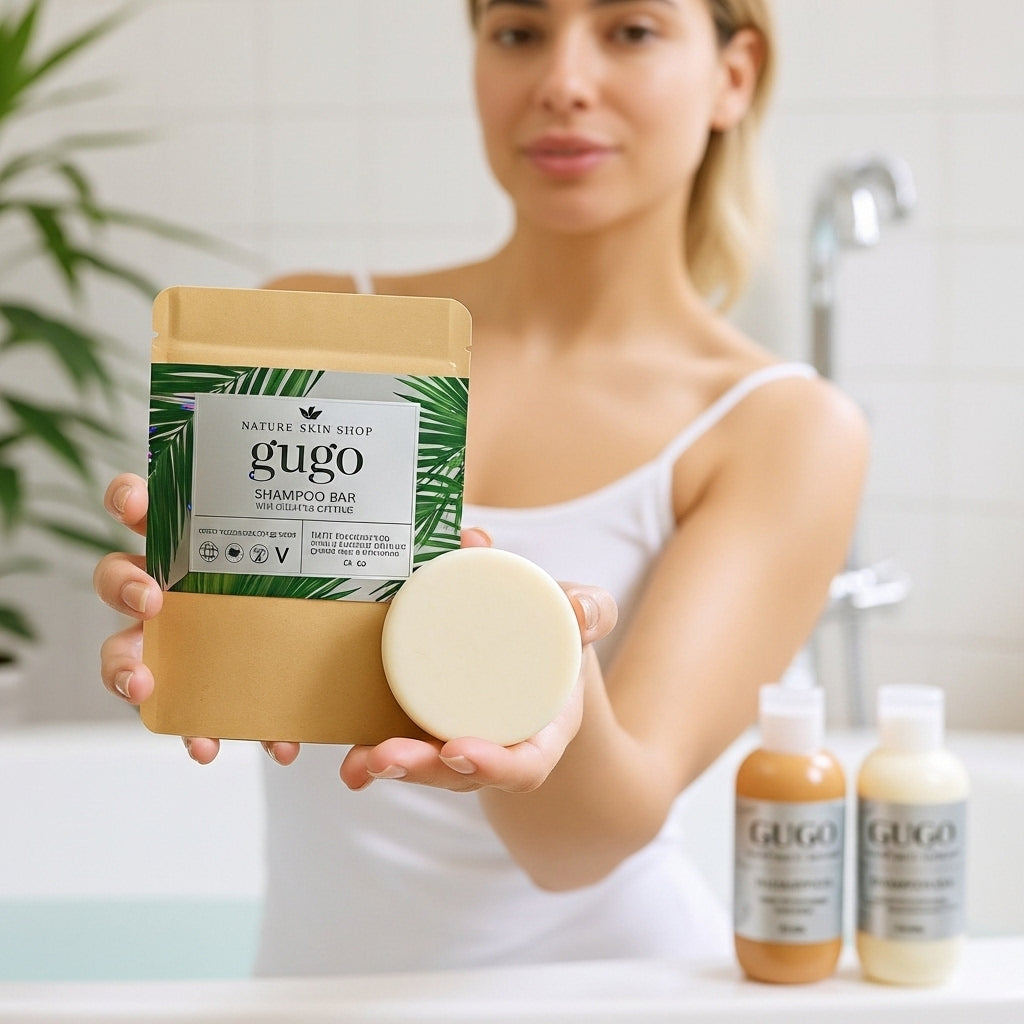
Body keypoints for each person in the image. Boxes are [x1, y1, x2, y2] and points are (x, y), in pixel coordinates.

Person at [94, 0, 868, 975]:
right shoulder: (315, 328)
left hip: (602, 988)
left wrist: (544, 657)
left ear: (733, 75)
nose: (561, 81)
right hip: (304, 989)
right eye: (518, 32)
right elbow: (225, 664)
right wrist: (175, 627)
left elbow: (580, 846)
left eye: (630, 30)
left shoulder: (778, 428)